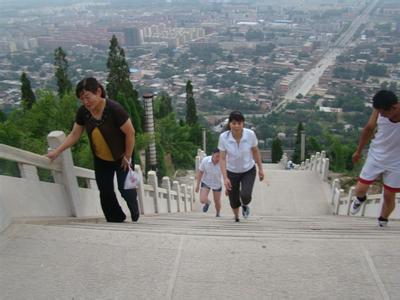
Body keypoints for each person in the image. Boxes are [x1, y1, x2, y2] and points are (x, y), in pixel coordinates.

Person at [47, 77, 140, 223]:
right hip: (101, 158)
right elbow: (74, 134)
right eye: (82, 99)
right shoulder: (83, 112)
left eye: (88, 97)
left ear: (98, 91)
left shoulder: (114, 109)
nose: (85, 102)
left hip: (122, 155)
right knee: (105, 191)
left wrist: (128, 156)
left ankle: (134, 208)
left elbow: (131, 133)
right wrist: (57, 151)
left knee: (126, 189)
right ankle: (116, 218)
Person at [350, 90, 400, 227]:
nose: (381, 115)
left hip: (397, 161)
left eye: (383, 113)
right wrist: (358, 151)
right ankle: (360, 199)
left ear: (394, 108)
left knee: (389, 196)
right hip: (377, 154)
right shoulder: (379, 111)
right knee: (359, 189)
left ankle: (383, 221)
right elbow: (369, 128)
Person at [218, 111, 265, 222]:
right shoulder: (223, 137)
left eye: (239, 123)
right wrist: (225, 178)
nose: (236, 126)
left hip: (248, 170)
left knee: (245, 195)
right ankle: (237, 217)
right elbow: (222, 158)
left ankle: (244, 204)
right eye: (234, 123)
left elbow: (255, 151)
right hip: (231, 171)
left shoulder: (250, 135)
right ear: (230, 124)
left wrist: (261, 169)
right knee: (233, 199)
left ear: (243, 123)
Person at [195, 148, 222, 217]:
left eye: (220, 156)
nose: (218, 158)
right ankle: (208, 203)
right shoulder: (205, 160)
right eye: (217, 156)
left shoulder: (223, 163)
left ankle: (218, 214)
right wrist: (197, 185)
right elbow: (200, 172)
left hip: (217, 183)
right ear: (212, 154)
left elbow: (227, 174)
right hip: (206, 181)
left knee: (217, 201)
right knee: (202, 199)